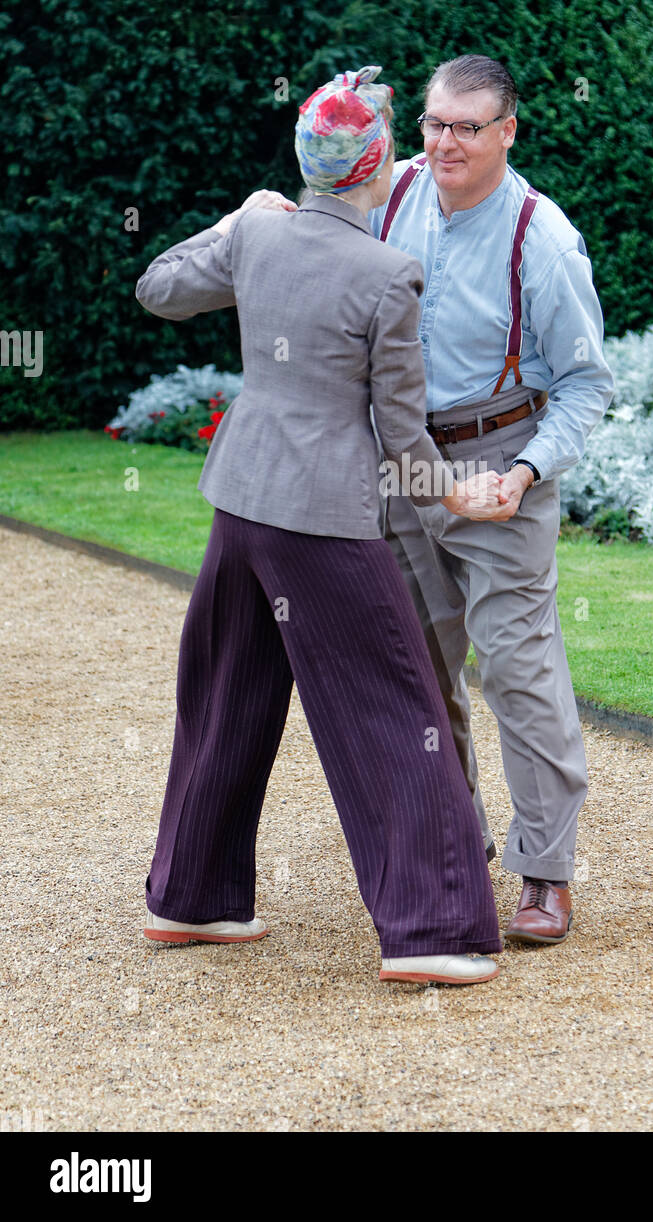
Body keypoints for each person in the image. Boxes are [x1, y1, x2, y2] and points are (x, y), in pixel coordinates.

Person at [135, 66, 505, 986]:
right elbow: (401, 434)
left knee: (227, 694)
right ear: (379, 168)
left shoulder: (258, 234)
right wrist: (460, 496)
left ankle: (193, 898)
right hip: (327, 524)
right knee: (394, 710)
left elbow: (158, 288)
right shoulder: (388, 274)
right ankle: (437, 932)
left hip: (242, 502)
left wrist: (233, 221)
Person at [368, 54, 615, 946]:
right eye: (435, 124)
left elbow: (588, 384)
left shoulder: (542, 240)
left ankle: (546, 874)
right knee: (420, 670)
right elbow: (325, 167)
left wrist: (525, 474)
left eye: (468, 127)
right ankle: (452, 850)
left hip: (500, 461)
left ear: (508, 131)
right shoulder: (391, 190)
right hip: (405, 469)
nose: (446, 143)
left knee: (518, 669)